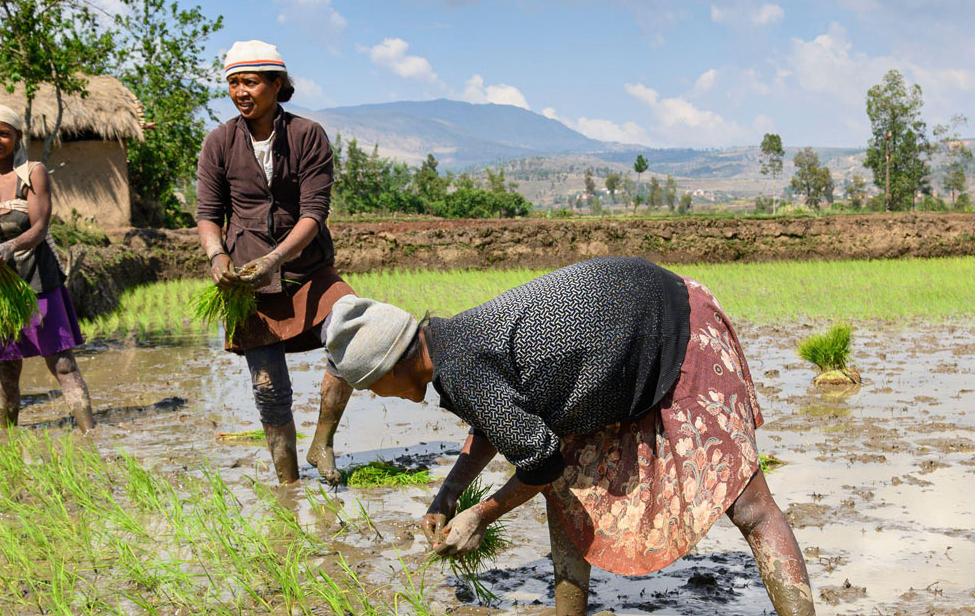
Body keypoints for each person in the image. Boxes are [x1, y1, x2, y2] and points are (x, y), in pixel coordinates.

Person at [325, 257, 815, 615]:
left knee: (750, 507)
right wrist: (448, 495)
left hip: (673, 330)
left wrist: (480, 514)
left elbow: (540, 461)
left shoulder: (462, 367)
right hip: (616, 353)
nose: (377, 397)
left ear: (392, 368)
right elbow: (496, 423)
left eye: (372, 388)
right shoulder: (449, 345)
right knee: (565, 497)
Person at [194, 40, 357, 484]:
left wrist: (276, 257)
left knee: (353, 335)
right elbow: (209, 214)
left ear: (277, 84)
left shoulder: (307, 135)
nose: (240, 91)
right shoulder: (219, 142)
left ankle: (322, 441)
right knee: (269, 389)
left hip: (307, 267)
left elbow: (313, 212)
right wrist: (217, 255)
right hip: (248, 280)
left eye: (249, 81)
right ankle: (288, 484)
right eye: (232, 83)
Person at [0, 104, 95, 430]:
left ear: (17, 137)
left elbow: (40, 227)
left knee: (62, 364)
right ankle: (7, 439)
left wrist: (9, 247)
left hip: (37, 279)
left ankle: (90, 434)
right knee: (5, 367)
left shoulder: (33, 172)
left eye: (4, 133)